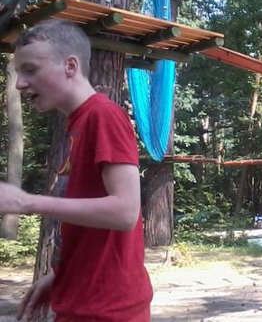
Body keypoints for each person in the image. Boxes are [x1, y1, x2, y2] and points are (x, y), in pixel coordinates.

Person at [0, 20, 152, 321]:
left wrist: (26, 202)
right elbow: (90, 227)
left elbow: (125, 212)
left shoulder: (103, 115)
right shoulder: (80, 122)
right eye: (19, 72)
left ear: (70, 66)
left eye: (30, 70)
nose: (20, 84)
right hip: (84, 302)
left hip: (107, 311)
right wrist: (60, 274)